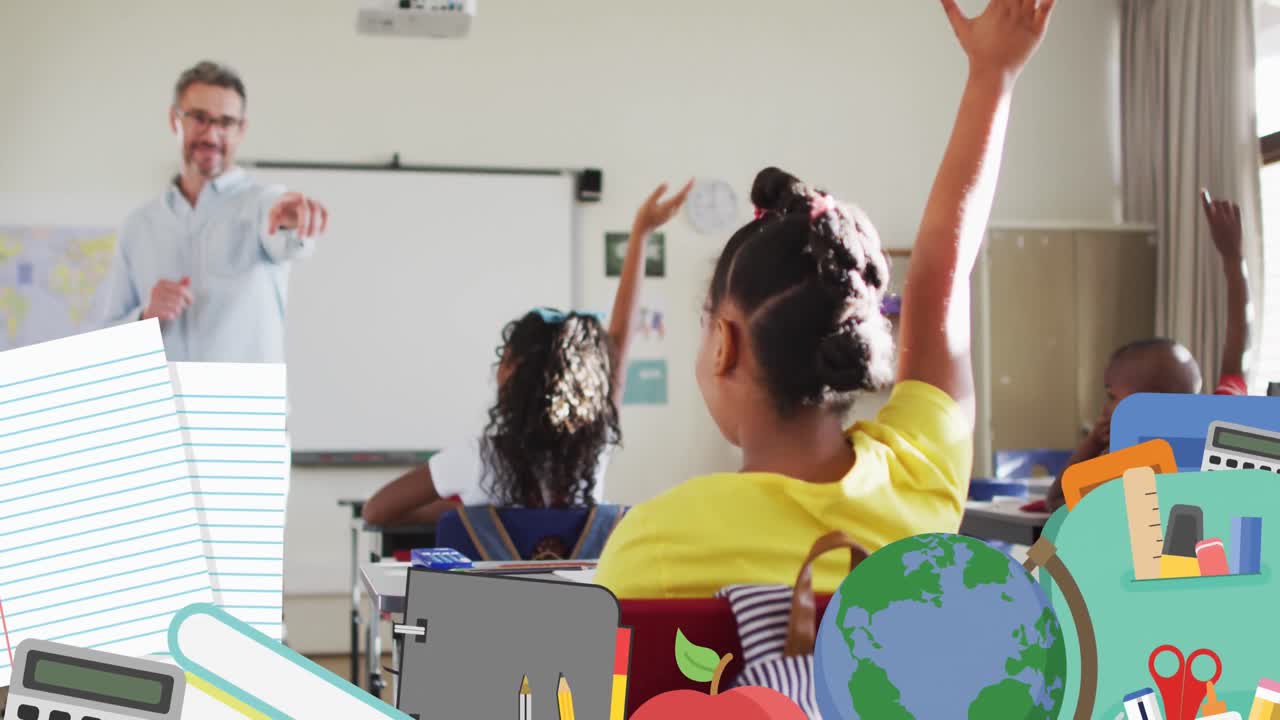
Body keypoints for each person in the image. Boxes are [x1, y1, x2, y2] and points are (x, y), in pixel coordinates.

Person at [593, 0, 1056, 598]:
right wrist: (995, 75)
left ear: (724, 346)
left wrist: (991, 73)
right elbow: (943, 276)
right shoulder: (920, 480)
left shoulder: (653, 545)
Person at [360, 181, 693, 526]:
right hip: (579, 583)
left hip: (495, 584)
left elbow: (377, 510)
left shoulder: (478, 458)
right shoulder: (592, 452)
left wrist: (466, 514)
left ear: (511, 371)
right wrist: (640, 234)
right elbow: (620, 343)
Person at [1040, 191, 1253, 511]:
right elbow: (1239, 344)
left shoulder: (1132, 464)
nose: (1107, 406)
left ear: (1137, 405)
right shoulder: (1223, 426)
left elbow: (1056, 502)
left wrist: (1094, 441)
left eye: (1112, 396)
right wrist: (1233, 259)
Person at [105, 61, 329, 363]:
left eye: (225, 123)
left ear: (241, 129)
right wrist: (145, 317)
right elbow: (108, 336)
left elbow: (284, 237)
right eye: (199, 118)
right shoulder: (139, 226)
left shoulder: (263, 204)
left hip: (241, 407)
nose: (211, 136)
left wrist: (291, 222)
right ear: (175, 120)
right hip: (166, 405)